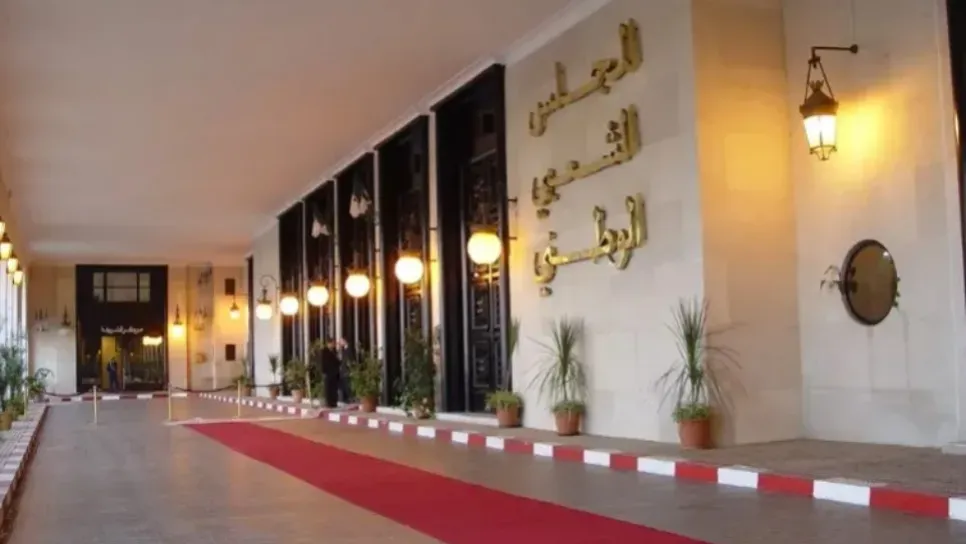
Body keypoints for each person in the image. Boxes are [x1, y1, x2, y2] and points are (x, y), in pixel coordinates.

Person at [320, 341, 341, 408]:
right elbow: (322, 362)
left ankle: (334, 402)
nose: (333, 345)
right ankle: (328, 402)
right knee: (328, 388)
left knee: (334, 388)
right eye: (332, 344)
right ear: (328, 344)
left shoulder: (334, 351)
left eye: (333, 344)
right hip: (327, 373)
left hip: (334, 373)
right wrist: (323, 372)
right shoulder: (324, 351)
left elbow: (337, 361)